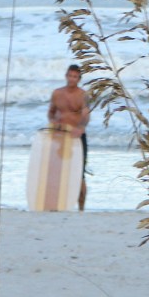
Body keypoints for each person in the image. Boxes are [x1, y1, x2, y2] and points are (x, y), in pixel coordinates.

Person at [47, 64, 90, 210]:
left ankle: (81, 208)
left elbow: (85, 114)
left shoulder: (82, 95)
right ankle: (56, 204)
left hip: (77, 138)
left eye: (75, 77)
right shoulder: (57, 93)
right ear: (66, 76)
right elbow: (51, 113)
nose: (72, 79)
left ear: (79, 79)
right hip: (60, 137)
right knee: (57, 172)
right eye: (70, 76)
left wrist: (81, 128)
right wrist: (53, 123)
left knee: (79, 174)